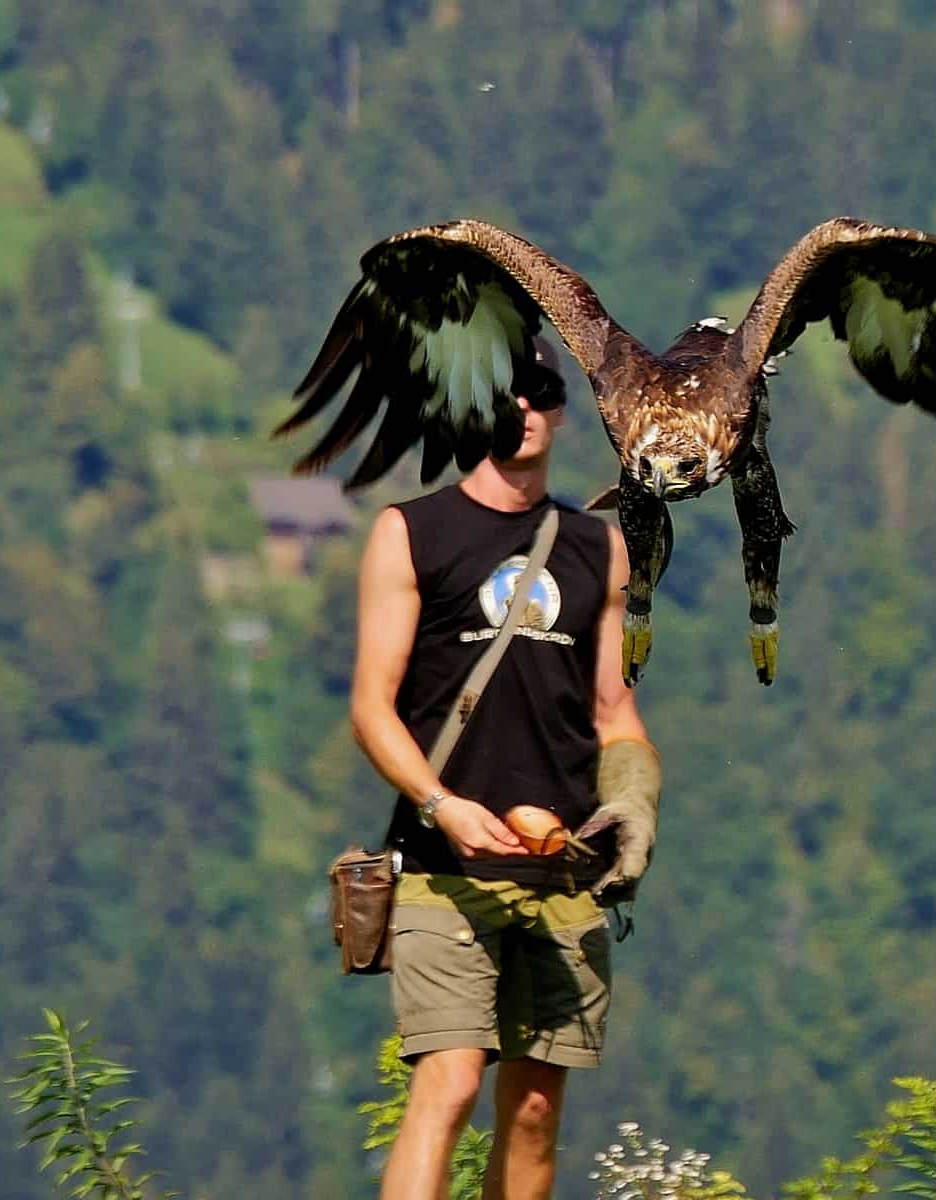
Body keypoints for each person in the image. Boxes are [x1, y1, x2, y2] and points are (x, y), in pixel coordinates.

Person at [348, 340, 661, 1200]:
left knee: (531, 1110)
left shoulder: (601, 549)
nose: (521, 408)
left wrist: (634, 804)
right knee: (447, 1083)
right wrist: (441, 805)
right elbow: (373, 706)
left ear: (559, 410)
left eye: (539, 392)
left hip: (562, 873)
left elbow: (613, 712)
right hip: (445, 871)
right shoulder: (412, 532)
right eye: (501, 395)